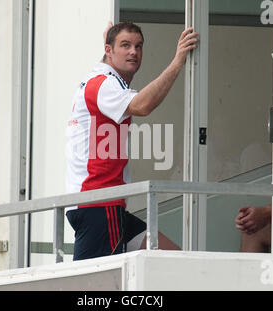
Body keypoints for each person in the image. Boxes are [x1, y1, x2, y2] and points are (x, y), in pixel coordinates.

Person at [65, 22, 199, 261]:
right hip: (100, 204)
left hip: (101, 205)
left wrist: (113, 39)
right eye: (124, 46)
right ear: (108, 50)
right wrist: (178, 61)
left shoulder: (101, 79)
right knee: (95, 288)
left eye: (138, 46)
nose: (133, 52)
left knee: (174, 259)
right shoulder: (104, 84)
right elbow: (142, 105)